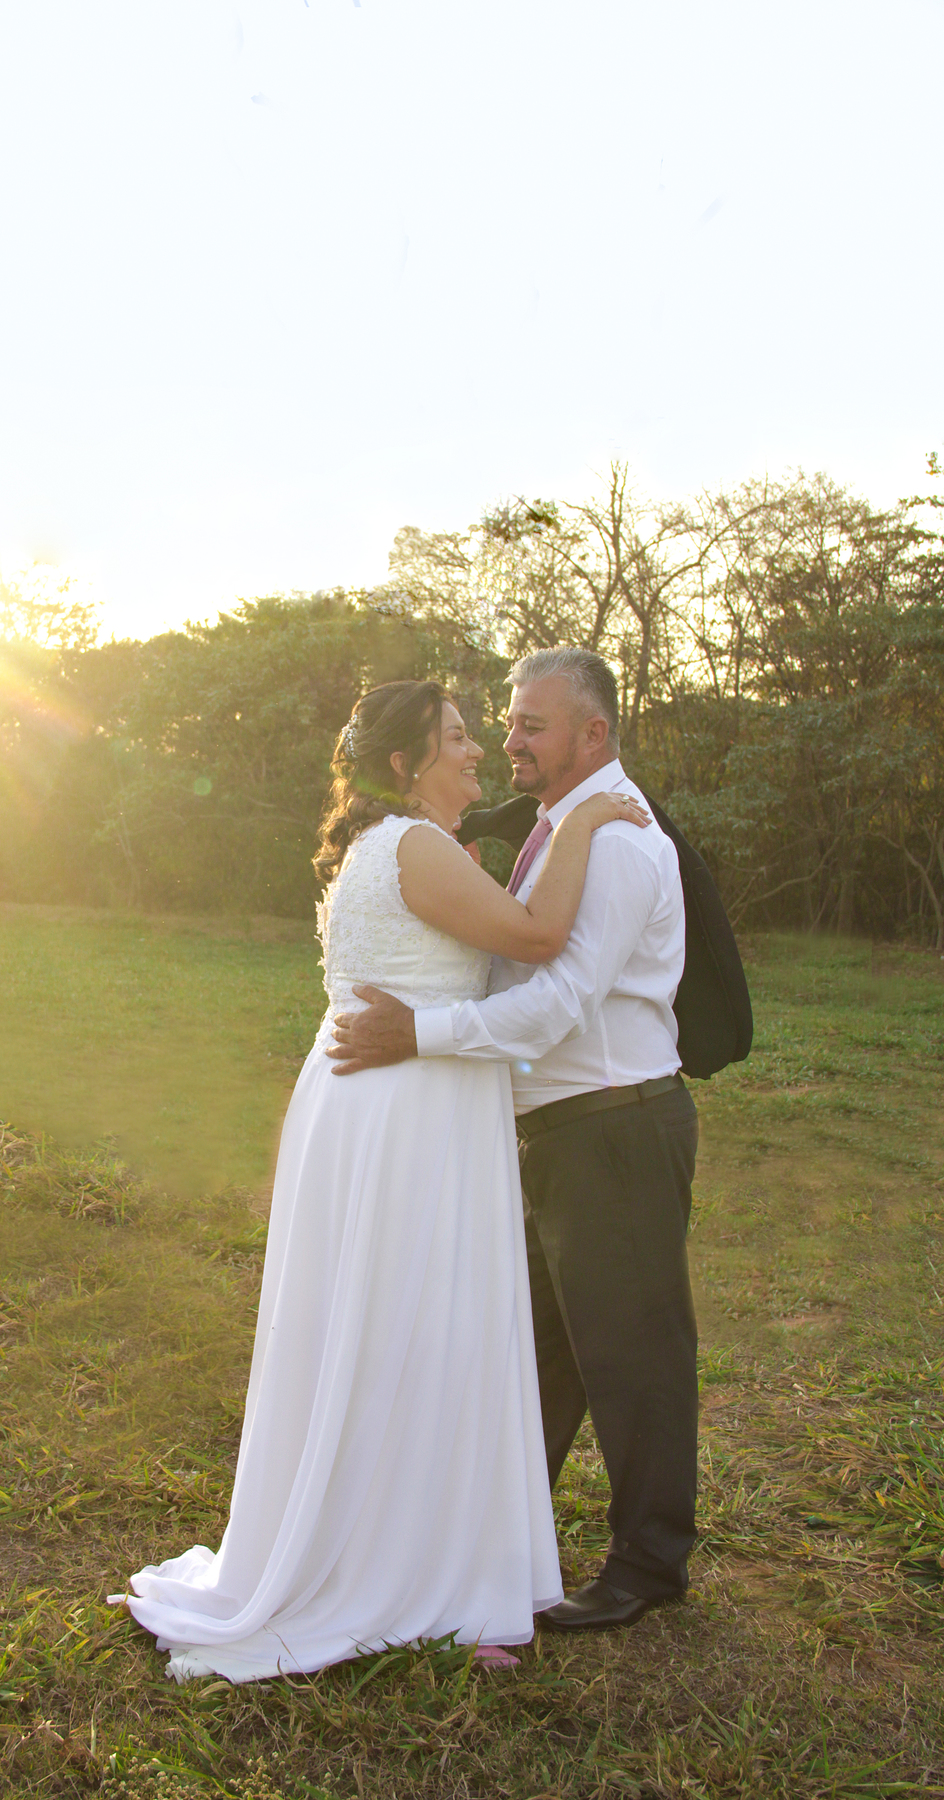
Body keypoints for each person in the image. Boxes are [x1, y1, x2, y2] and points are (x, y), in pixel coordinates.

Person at [110, 678, 650, 1680]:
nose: (479, 751)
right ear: (406, 763)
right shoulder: (414, 846)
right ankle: (408, 1574)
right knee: (420, 1322)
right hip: (407, 1108)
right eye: (457, 737)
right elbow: (535, 939)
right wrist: (584, 823)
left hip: (381, 1097)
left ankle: (405, 1555)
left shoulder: (390, 848)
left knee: (392, 1324)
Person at [330, 648, 700, 1631]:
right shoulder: (558, 831)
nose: (510, 740)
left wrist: (422, 1033)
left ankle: (650, 1564)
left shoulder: (617, 840)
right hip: (559, 1132)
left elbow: (557, 1003)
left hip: (615, 1121)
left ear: (594, 734)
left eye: (533, 725)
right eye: (507, 723)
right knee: (539, 1351)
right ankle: (489, 1542)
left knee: (632, 1349)